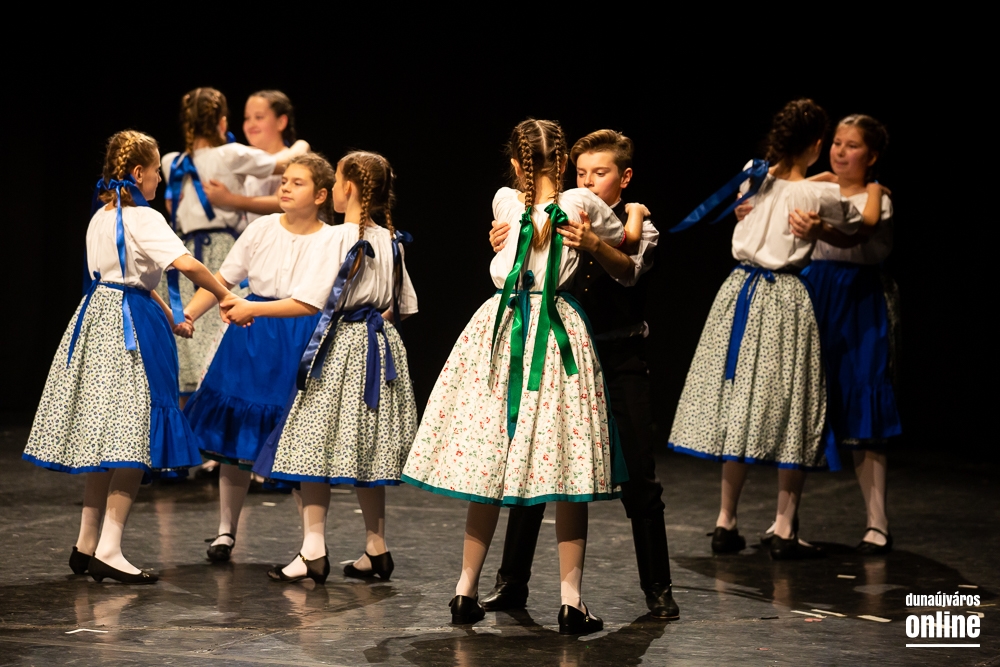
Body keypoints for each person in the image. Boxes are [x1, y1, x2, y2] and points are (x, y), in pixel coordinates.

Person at [401, 119, 635, 636]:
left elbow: (510, 233)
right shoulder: (582, 202)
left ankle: (465, 591)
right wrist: (635, 213)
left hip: (500, 327)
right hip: (553, 331)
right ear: (564, 162)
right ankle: (571, 603)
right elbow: (626, 243)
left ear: (515, 163)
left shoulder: (504, 201)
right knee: (567, 466)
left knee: (491, 459)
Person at [668, 99, 885, 560]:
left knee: (739, 401)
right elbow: (861, 224)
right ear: (817, 145)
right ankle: (784, 528)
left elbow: (758, 198)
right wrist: (863, 190)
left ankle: (726, 520)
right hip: (784, 296)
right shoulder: (816, 197)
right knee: (794, 406)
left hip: (739, 292)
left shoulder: (753, 175)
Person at [482, 129, 678, 620]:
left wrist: (594, 241)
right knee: (534, 463)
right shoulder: (560, 209)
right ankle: (512, 582)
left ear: (624, 178)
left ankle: (658, 587)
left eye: (601, 173)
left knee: (640, 475)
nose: (588, 182)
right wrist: (503, 239)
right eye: (582, 172)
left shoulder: (638, 226)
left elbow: (629, 270)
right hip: (559, 358)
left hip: (617, 357)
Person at [22, 130, 234, 583]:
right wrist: (225, 295)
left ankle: (86, 544)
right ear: (139, 173)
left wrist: (173, 316)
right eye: (156, 171)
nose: (159, 179)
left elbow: (128, 276)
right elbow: (187, 265)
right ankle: (110, 549)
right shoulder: (144, 217)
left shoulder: (100, 217)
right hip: (131, 326)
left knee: (110, 435)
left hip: (97, 317)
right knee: (134, 435)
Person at [250, 151, 418, 586]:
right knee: (366, 447)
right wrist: (374, 321)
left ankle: (313, 551)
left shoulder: (337, 237)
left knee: (311, 444)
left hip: (342, 348)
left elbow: (307, 302)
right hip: (379, 349)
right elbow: (402, 306)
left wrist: (252, 307)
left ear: (348, 188)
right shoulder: (392, 239)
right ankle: (376, 549)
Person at [182, 154, 340, 563]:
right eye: (284, 180)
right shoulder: (262, 227)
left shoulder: (331, 239)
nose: (285, 187)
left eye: (297, 183)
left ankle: (311, 545)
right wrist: (188, 315)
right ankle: (225, 531)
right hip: (250, 335)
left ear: (321, 195)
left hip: (299, 337)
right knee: (235, 436)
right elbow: (223, 280)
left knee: (297, 440)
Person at [783, 115, 900, 554]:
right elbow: (783, 191)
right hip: (816, 289)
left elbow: (858, 235)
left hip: (860, 298)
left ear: (872, 155)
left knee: (864, 398)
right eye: (836, 142)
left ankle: (877, 523)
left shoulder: (877, 198)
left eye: (852, 145)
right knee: (805, 400)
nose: (840, 151)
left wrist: (826, 224)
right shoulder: (819, 186)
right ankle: (785, 522)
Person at [160, 87, 308, 400]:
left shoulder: (171, 161)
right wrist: (301, 145)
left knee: (186, 346)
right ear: (222, 122)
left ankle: (188, 417)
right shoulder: (231, 154)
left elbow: (172, 206)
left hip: (181, 254)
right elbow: (286, 161)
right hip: (219, 250)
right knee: (224, 331)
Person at [203, 90, 298, 224]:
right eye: (247, 118)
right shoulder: (242, 157)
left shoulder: (296, 159)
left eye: (259, 117)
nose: (251, 124)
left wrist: (230, 199)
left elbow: (281, 203)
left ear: (281, 122)